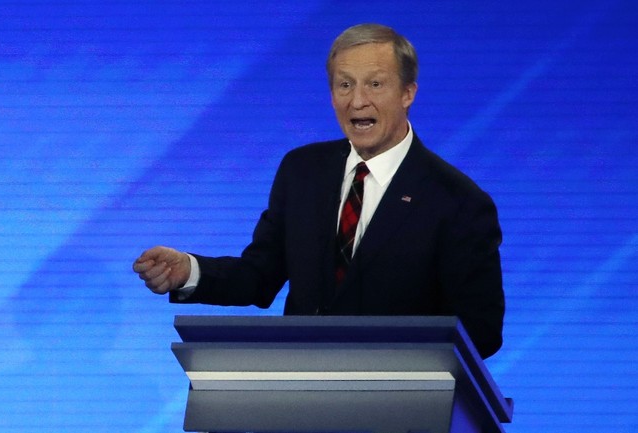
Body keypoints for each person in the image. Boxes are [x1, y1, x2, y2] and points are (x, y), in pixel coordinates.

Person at [133, 23, 505, 359]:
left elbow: (481, 331)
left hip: (398, 399)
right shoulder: (302, 171)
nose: (357, 100)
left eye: (375, 84)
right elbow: (259, 276)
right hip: (300, 391)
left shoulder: (458, 202)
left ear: (408, 93)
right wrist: (190, 271)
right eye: (345, 84)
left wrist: (390, 355)